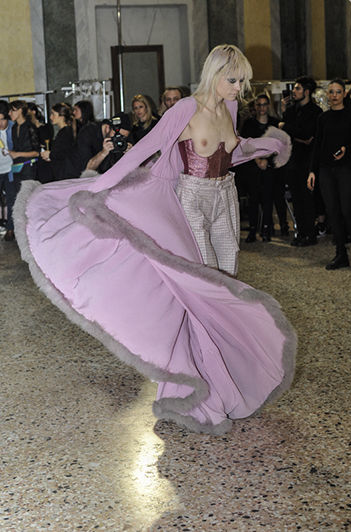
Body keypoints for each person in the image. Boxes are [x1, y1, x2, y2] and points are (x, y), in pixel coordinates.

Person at [14, 44, 296, 434]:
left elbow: (231, 152)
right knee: (201, 294)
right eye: (234, 80)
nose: (239, 88)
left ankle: (224, 380)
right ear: (215, 74)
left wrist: (270, 144)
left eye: (242, 81)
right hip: (191, 202)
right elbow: (145, 150)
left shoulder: (231, 109)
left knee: (225, 294)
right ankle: (201, 391)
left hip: (225, 202)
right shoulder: (185, 110)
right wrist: (97, 188)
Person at [308, 78, 351, 270]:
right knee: (332, 212)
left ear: (344, 94)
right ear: (327, 95)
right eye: (331, 92)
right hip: (326, 170)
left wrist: (346, 149)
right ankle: (341, 254)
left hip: (346, 169)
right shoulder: (323, 118)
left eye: (338, 92)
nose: (334, 96)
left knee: (348, 211)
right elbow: (317, 146)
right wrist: (312, 171)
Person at [278, 76, 322, 247]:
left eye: (297, 88)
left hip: (307, 163)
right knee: (296, 200)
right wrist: (298, 136)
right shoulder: (290, 111)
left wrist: (286, 127)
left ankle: (310, 235)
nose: (293, 91)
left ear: (306, 92)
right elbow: (285, 137)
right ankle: (300, 232)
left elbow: (308, 135)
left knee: (307, 199)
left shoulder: (316, 112)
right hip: (292, 162)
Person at [240, 93, 288, 243]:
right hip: (253, 165)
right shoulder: (248, 124)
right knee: (253, 198)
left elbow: (279, 145)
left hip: (270, 166)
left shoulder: (275, 123)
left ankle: (266, 229)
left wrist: (267, 161)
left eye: (264, 104)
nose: (262, 107)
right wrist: (257, 159)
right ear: (255, 106)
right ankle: (253, 229)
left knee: (268, 198)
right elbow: (245, 144)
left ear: (268, 106)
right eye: (259, 105)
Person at [7, 100, 40, 241]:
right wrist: (12, 152)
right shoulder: (14, 128)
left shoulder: (30, 127)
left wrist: (17, 154)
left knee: (28, 199)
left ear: (20, 110)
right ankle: (20, 231)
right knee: (17, 199)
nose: (9, 113)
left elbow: (37, 152)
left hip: (28, 166)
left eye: (12, 110)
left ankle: (31, 231)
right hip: (17, 166)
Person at [65, 113, 133, 177]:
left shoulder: (123, 138)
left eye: (123, 137)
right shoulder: (87, 133)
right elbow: (86, 170)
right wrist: (103, 153)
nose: (119, 139)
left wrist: (131, 154)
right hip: (73, 175)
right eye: (117, 136)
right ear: (107, 128)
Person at [40, 103, 76, 181]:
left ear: (61, 116)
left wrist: (50, 154)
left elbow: (65, 153)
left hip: (65, 173)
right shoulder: (63, 132)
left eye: (53, 114)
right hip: (61, 172)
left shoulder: (65, 133)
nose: (51, 117)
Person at [0, 100, 16, 241]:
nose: (0, 123)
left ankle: (10, 228)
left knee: (12, 198)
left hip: (11, 169)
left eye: (2, 119)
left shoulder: (13, 128)